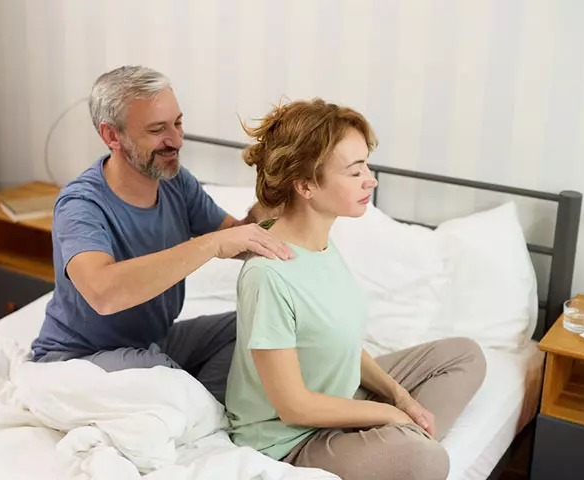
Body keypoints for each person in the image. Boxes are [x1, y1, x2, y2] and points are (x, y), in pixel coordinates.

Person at [225, 99, 486, 479]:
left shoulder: (321, 244)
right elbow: (293, 407)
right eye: (354, 171)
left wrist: (401, 396)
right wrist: (389, 413)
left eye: (366, 164)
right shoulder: (268, 274)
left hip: (338, 396)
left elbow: (339, 341)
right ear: (306, 185)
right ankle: (402, 444)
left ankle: (397, 441)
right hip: (289, 441)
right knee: (428, 461)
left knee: (465, 356)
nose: (371, 179)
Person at [30, 65, 292, 404]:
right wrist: (210, 244)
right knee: (159, 372)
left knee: (252, 327)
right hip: (78, 359)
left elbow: (238, 238)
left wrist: (281, 193)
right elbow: (103, 293)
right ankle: (199, 407)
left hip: (154, 343)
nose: (177, 141)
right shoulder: (80, 204)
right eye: (157, 130)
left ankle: (210, 414)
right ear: (112, 135)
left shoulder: (176, 182)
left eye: (178, 123)